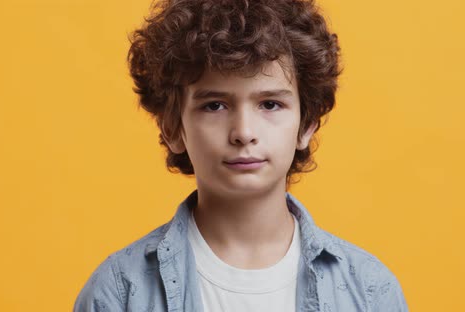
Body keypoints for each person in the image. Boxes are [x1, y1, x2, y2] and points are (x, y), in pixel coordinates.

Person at [74, 0, 408, 311]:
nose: (243, 132)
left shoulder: (368, 289)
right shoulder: (118, 292)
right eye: (215, 105)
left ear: (306, 124)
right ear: (173, 128)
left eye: (270, 104)